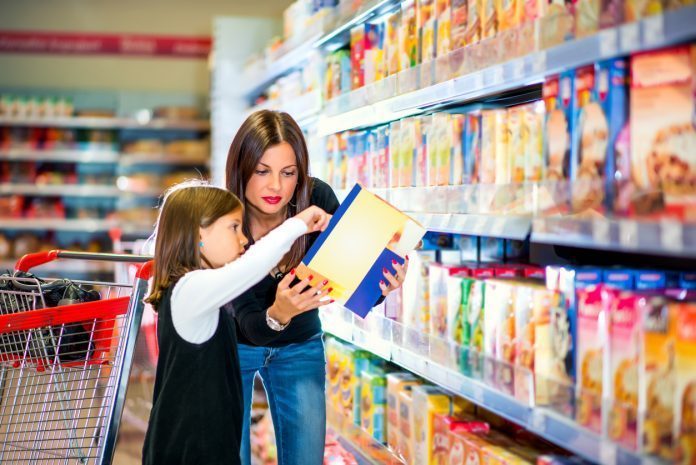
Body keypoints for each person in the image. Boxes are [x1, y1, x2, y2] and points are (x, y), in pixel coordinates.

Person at [225, 110, 408, 465]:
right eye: (262, 171)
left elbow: (350, 279)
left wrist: (383, 284)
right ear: (241, 168)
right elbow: (248, 323)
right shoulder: (225, 219)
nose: (275, 186)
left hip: (299, 345)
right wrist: (279, 313)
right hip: (232, 346)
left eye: (288, 173)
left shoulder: (316, 196)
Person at [141, 180, 331, 465]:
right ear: (198, 234)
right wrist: (299, 223)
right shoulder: (189, 289)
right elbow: (252, 266)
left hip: (203, 446)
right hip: (190, 451)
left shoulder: (199, 291)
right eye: (233, 227)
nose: (243, 239)